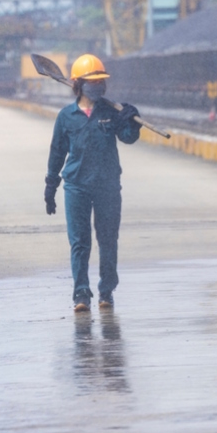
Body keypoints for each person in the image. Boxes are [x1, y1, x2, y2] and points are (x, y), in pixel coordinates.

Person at [44, 54, 141, 313]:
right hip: (76, 186)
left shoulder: (112, 112)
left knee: (108, 240)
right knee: (80, 242)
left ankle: (106, 291)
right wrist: (50, 186)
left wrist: (131, 120)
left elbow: (129, 138)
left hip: (108, 186)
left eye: (101, 81)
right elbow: (57, 153)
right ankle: (81, 294)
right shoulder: (67, 117)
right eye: (92, 81)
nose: (97, 86)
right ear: (78, 84)